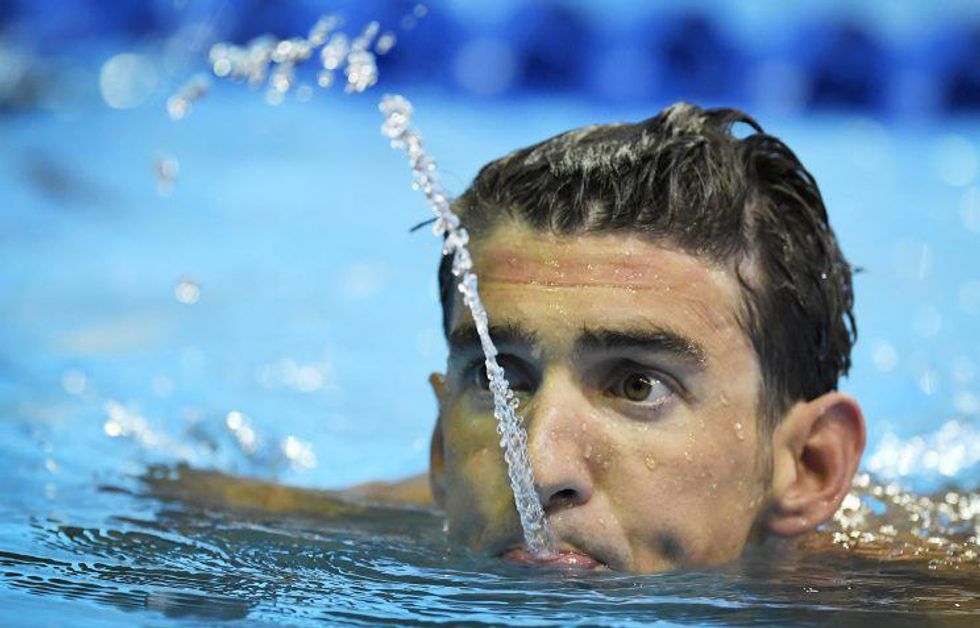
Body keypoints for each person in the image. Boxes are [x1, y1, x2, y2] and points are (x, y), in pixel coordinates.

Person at [152, 102, 866, 573]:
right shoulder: (307, 539)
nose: (538, 467)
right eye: (500, 380)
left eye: (637, 385)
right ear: (441, 450)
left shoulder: (902, 601)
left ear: (809, 467)